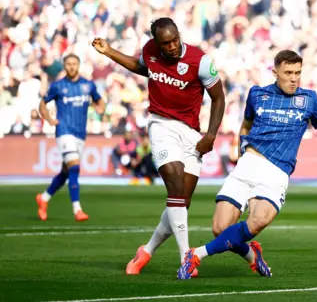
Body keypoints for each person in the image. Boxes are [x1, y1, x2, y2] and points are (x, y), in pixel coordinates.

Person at [177, 50, 317, 280]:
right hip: (247, 164)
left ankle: (197, 254)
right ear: (275, 72)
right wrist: (242, 156)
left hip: (277, 170)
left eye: (298, 73)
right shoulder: (257, 94)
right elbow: (245, 127)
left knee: (258, 220)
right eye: (288, 73)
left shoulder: (308, 99)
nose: (294, 78)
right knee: (220, 229)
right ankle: (253, 255)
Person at [91, 17, 226, 276]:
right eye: (166, 43)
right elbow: (143, 67)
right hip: (161, 124)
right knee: (174, 185)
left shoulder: (201, 61)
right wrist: (109, 52)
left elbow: (219, 98)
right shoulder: (150, 51)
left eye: (175, 39)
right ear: (156, 43)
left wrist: (211, 134)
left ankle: (147, 250)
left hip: (191, 133)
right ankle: (186, 257)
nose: (173, 46)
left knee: (180, 203)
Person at [36, 53, 106, 222]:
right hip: (63, 131)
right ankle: (77, 210)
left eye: (74, 63)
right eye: (68, 64)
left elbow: (99, 101)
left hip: (80, 134)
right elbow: (42, 104)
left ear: (79, 65)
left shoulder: (88, 85)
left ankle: (44, 198)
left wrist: (100, 109)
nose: (72, 67)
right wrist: (49, 119)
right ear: (64, 66)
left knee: (66, 172)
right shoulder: (58, 86)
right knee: (74, 167)